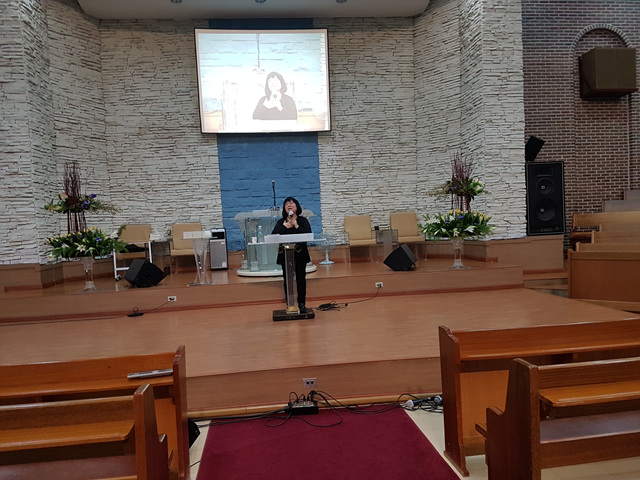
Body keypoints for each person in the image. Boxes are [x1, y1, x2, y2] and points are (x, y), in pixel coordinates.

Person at [271, 196, 311, 313]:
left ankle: (302, 303)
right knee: (287, 280)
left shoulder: (303, 221)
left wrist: (296, 226)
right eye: (286, 204)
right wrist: (285, 227)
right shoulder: (281, 222)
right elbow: (273, 235)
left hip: (300, 253)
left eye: (292, 203)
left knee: (301, 279)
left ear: (297, 207)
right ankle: (289, 303)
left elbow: (308, 235)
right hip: (285, 255)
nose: (289, 205)